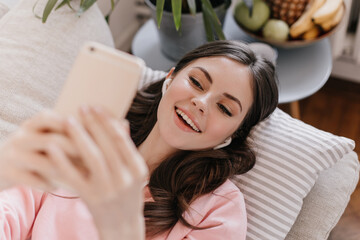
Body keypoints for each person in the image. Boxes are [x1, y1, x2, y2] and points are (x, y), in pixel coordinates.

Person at [0, 40, 278, 240]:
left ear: (233, 135)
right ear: (170, 78)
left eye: (225, 108)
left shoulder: (219, 208)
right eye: (196, 82)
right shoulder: (93, 136)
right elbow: (11, 212)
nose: (201, 102)